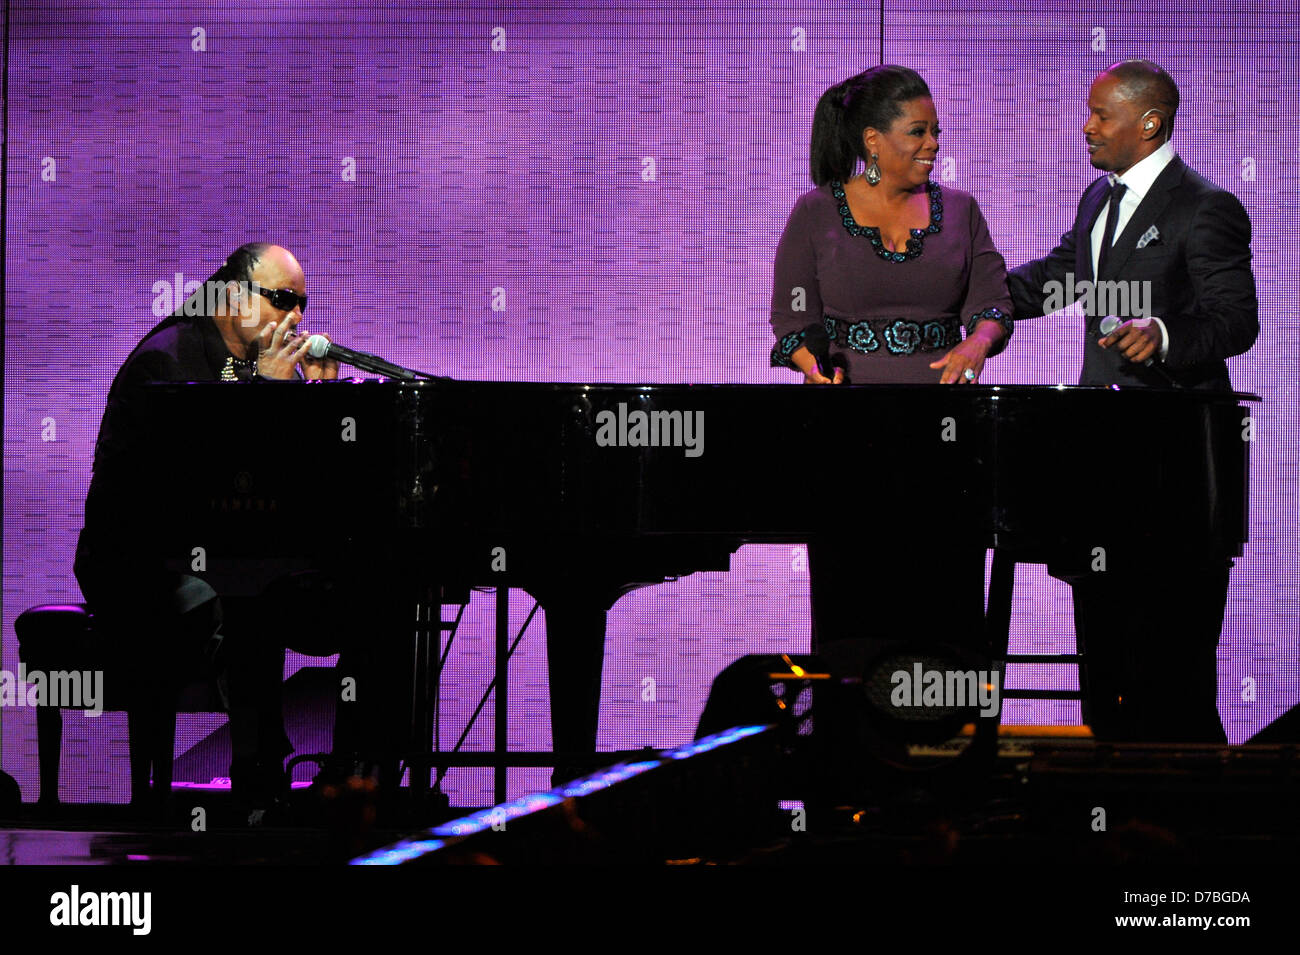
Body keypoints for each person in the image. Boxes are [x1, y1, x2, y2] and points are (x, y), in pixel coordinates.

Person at [1007, 60, 1259, 742]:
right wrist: (977, 297)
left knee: (1170, 679)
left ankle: (1193, 831)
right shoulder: (1098, 198)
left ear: (1148, 123)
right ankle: (1110, 823)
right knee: (1108, 671)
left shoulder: (1205, 207)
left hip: (1175, 479)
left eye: (1101, 115)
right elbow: (1063, 278)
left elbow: (1236, 320)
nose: (1087, 126)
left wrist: (1167, 333)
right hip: (1098, 473)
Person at [74, 242, 340, 816]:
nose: (297, 318)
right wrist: (267, 397)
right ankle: (259, 772)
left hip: (225, 554)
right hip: (137, 562)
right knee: (238, 599)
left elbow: (286, 491)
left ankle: (356, 772)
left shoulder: (257, 360)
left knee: (370, 593)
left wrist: (316, 403)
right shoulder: (167, 360)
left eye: (303, 303)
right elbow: (199, 492)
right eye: (282, 300)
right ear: (231, 296)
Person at [768, 65, 1014, 661]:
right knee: (854, 598)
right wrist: (810, 361)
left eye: (935, 132)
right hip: (848, 433)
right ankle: (850, 742)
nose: (933, 144)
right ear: (873, 141)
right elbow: (792, 317)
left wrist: (975, 344)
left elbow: (993, 305)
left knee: (947, 596)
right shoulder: (817, 212)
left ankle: (945, 742)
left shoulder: (960, 210)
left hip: (949, 434)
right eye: (917, 132)